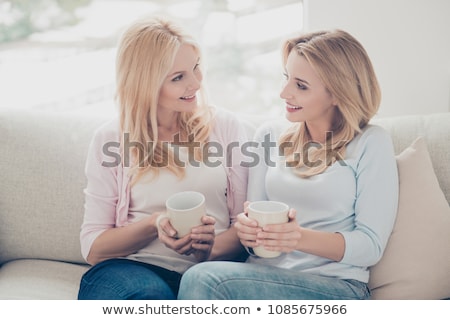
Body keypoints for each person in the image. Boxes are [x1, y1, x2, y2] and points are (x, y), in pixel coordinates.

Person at [178, 29, 399, 300]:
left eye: (301, 85)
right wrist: (248, 234)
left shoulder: (370, 142)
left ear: (338, 94)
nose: (284, 93)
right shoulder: (269, 136)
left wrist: (297, 238)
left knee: (205, 279)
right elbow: (252, 236)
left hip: (336, 286)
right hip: (261, 275)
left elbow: (371, 246)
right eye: (286, 78)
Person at [77, 16, 248, 300]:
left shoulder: (226, 127)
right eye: (178, 77)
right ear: (147, 85)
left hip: (209, 272)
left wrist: (210, 248)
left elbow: (243, 225)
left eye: (195, 68)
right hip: (133, 269)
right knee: (150, 299)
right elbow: (94, 248)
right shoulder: (110, 139)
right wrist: (154, 224)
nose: (195, 83)